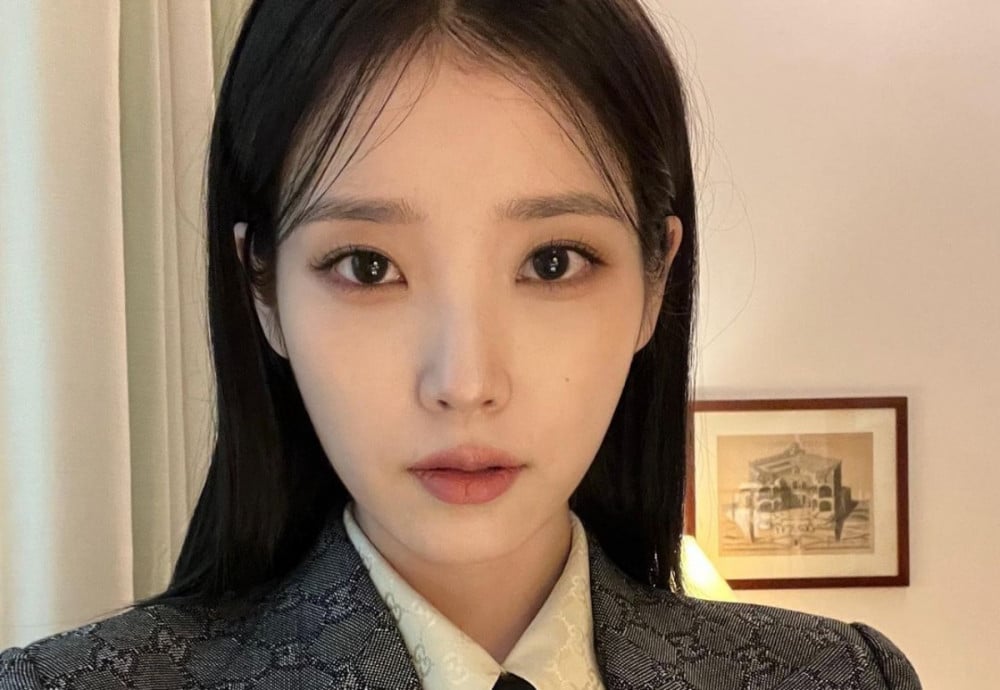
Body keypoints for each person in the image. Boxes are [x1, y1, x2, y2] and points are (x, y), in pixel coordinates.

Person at [0, 0, 922, 688]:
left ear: (656, 282)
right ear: (263, 291)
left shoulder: (834, 679)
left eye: (553, 262)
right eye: (367, 266)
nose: (466, 380)